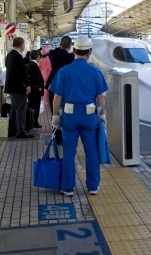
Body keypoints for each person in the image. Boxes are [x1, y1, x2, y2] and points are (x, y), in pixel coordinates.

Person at [51, 36, 108, 197]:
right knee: (91, 151)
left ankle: (68, 187)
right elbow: (101, 97)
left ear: (73, 51)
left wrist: (55, 117)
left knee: (69, 152)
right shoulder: (95, 71)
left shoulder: (64, 71)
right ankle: (93, 187)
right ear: (89, 53)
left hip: (69, 117)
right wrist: (102, 114)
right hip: (89, 117)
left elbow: (57, 97)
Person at [4, 37, 33, 139]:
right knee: (21, 109)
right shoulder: (18, 56)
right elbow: (21, 73)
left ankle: (12, 129)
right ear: (22, 45)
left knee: (14, 108)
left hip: (11, 87)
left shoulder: (10, 55)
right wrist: (27, 85)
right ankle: (21, 131)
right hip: (18, 88)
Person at [45, 36, 74, 100]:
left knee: (53, 102)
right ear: (69, 45)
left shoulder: (52, 54)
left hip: (52, 81)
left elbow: (54, 50)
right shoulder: (70, 57)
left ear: (60, 44)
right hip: (64, 83)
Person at [26, 50, 44, 129]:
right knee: (36, 106)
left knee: (31, 105)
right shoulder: (35, 66)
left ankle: (31, 121)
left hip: (31, 89)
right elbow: (37, 78)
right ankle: (34, 122)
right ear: (38, 56)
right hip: (35, 89)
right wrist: (39, 88)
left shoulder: (29, 64)